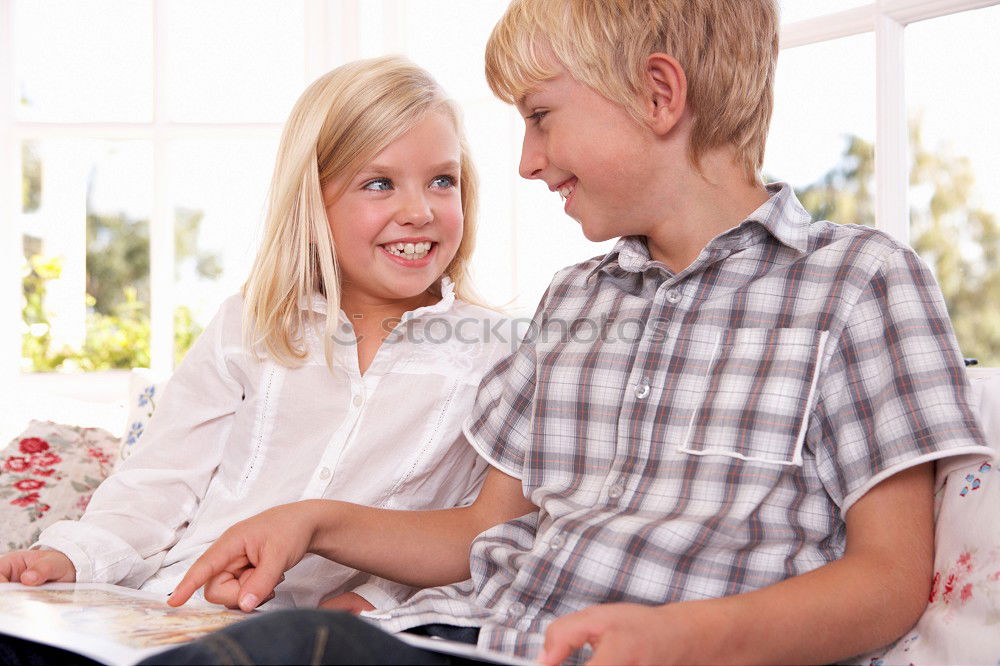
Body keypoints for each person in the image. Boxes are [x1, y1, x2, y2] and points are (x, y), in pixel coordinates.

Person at [155, 1, 995, 664]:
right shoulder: (574, 302)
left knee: (286, 654)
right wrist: (314, 520)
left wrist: (686, 642)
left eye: (542, 115)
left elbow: (887, 583)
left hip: (654, 658)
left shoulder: (858, 282)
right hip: (478, 637)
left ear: (660, 95)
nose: (525, 160)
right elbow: (483, 530)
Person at [0, 56, 514, 614]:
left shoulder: (499, 355)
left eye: (443, 180)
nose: (419, 211)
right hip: (173, 603)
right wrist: (70, 556)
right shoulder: (250, 325)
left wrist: (374, 601)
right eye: (380, 183)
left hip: (317, 634)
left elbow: (482, 529)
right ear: (313, 199)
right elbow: (161, 478)